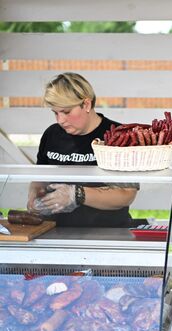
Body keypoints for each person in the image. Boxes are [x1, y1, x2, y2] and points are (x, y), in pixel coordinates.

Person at [27, 72, 138, 227]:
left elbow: (126, 195)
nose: (60, 120)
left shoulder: (118, 135)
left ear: (86, 104)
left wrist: (77, 195)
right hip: (56, 231)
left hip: (107, 233)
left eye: (66, 112)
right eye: (55, 113)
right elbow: (40, 178)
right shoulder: (51, 134)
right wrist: (35, 192)